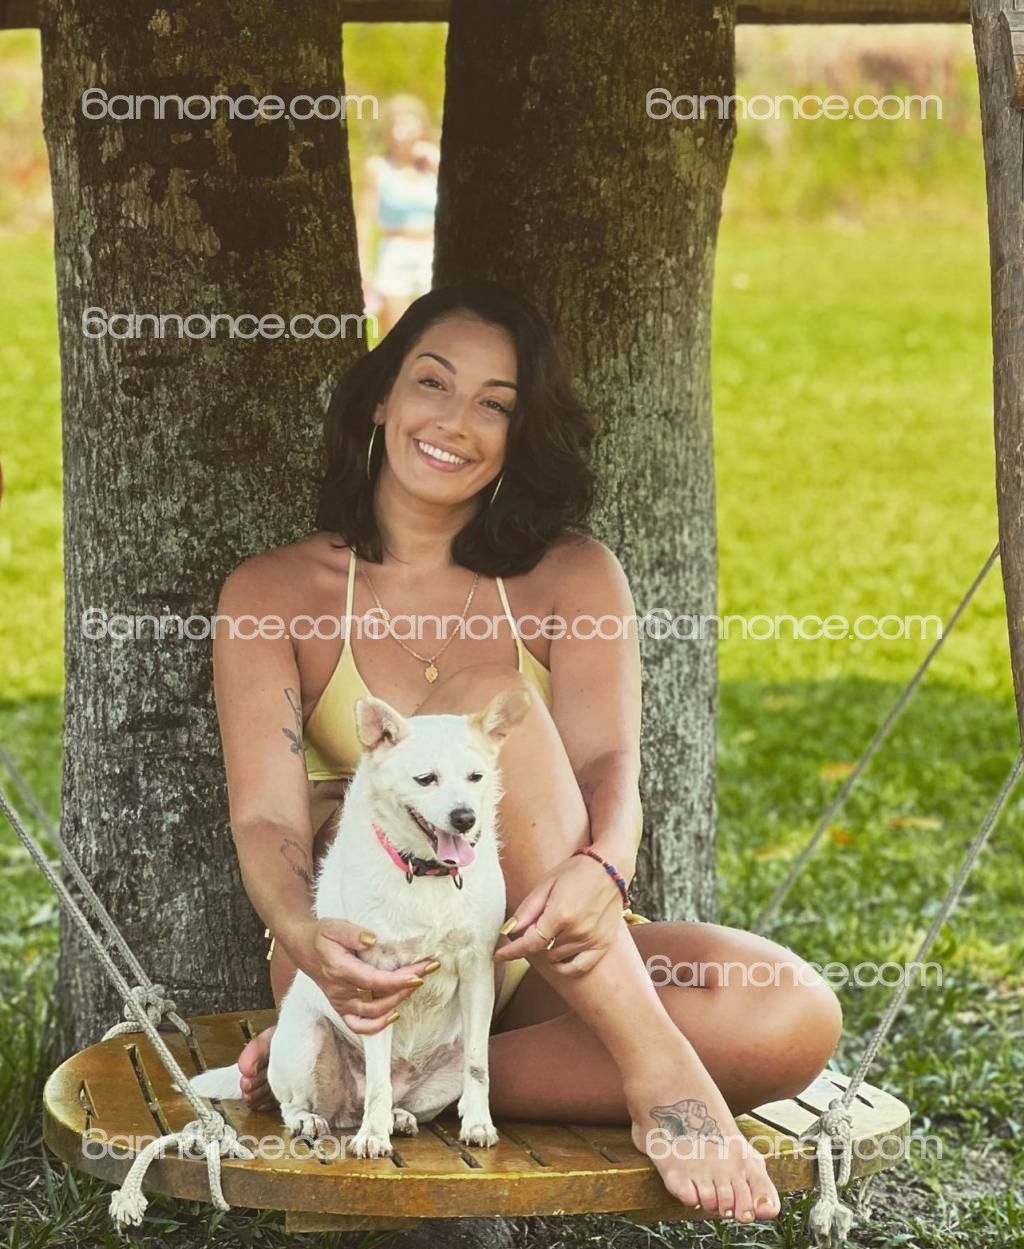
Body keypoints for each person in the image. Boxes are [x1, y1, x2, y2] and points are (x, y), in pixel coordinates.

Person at [213, 280, 843, 1225]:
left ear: (519, 434)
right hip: (373, 957)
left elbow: (610, 768)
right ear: (380, 398)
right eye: (433, 383)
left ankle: (403, 1084)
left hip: (541, 944)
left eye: (495, 404)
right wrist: (306, 940)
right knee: (478, 692)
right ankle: (660, 1075)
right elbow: (267, 816)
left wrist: (605, 868)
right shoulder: (274, 592)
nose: (455, 422)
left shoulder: (572, 575)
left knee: (790, 1010)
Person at [357, 95, 439, 338]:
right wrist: (363, 267)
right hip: (395, 252)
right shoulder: (378, 168)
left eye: (408, 123)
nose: (401, 131)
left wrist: (436, 163)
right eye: (396, 123)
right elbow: (365, 219)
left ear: (421, 127)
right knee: (396, 334)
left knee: (433, 331)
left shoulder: (433, 164)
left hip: (431, 253)